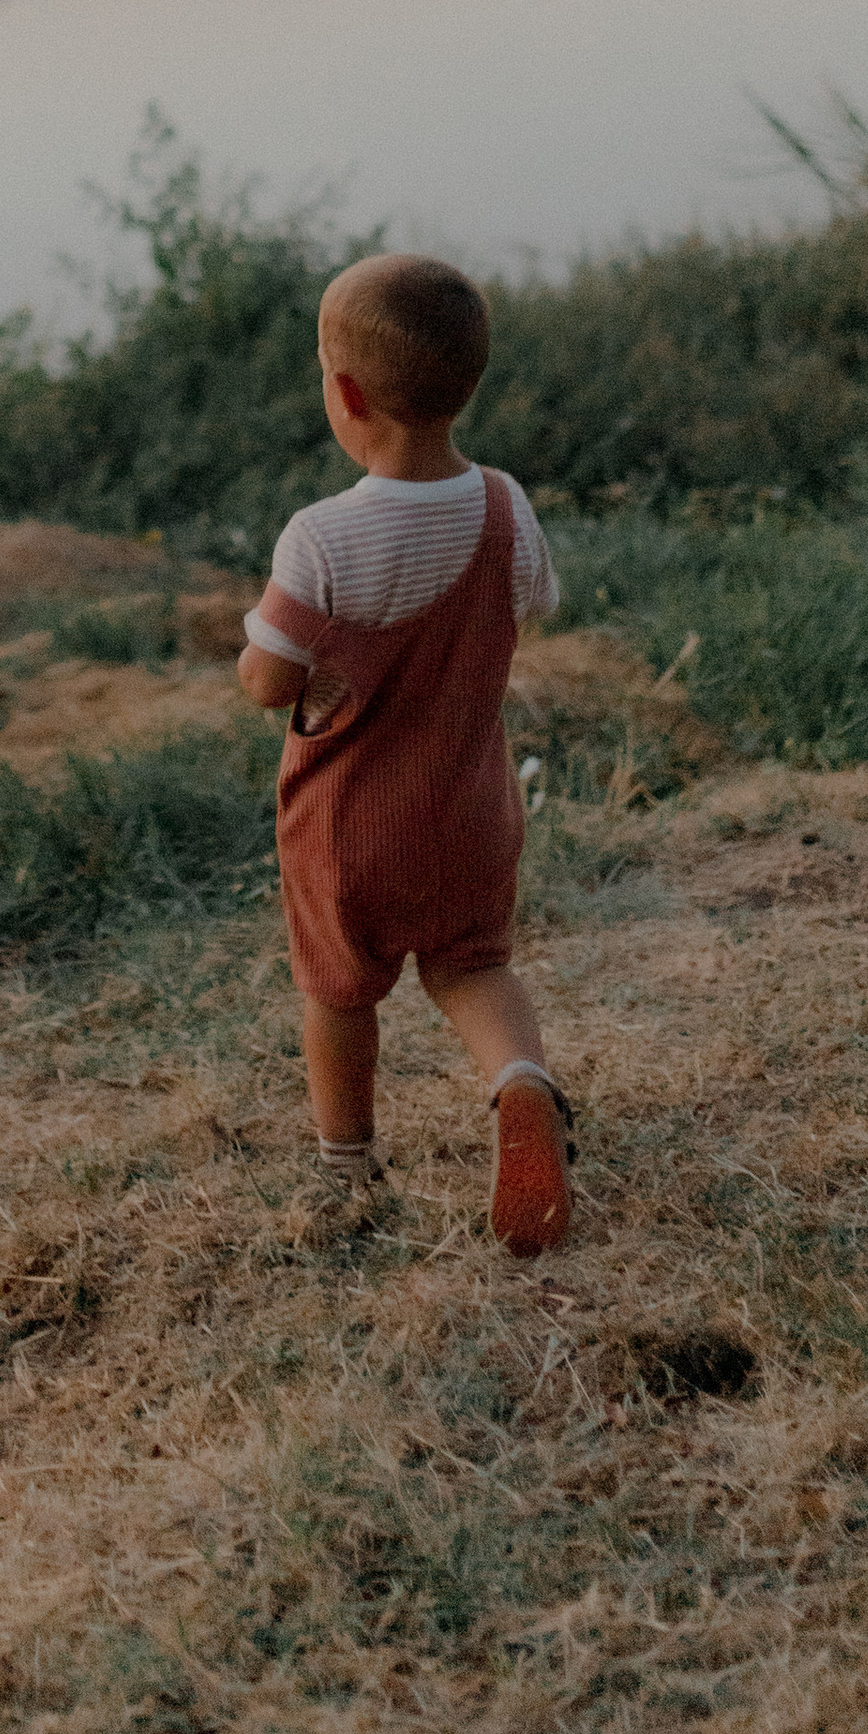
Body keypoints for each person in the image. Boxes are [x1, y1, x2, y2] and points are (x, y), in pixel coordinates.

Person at [236, 250, 574, 1253]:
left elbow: (266, 680)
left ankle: (347, 1167)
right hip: (472, 808)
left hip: (349, 827)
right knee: (473, 968)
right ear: (467, 385)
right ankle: (521, 1087)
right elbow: (531, 606)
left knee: (340, 992)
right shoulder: (505, 506)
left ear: (343, 395)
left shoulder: (322, 537)